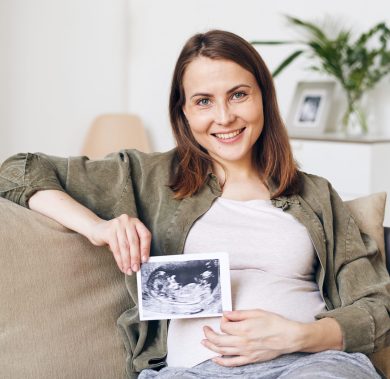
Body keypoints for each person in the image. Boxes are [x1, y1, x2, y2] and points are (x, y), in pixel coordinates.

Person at [0, 30, 389, 379]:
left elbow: (377, 306)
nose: (224, 117)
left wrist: (300, 336)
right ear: (183, 112)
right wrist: (97, 227)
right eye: (204, 101)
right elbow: (18, 170)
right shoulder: (148, 177)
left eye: (238, 94)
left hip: (310, 364)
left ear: (263, 99)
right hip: (194, 372)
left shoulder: (315, 194)